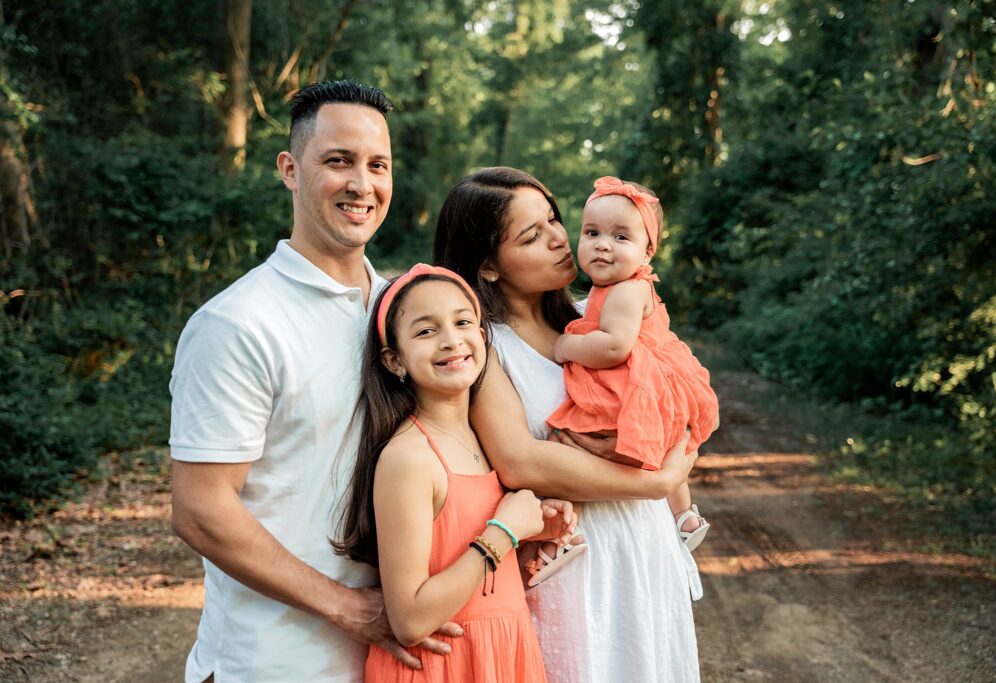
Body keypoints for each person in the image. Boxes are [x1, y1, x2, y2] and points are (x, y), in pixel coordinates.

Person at [169, 81, 459, 683]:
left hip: (393, 662)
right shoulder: (237, 323)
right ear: (290, 169)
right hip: (273, 663)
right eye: (338, 161)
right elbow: (201, 511)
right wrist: (348, 607)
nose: (362, 184)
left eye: (377, 165)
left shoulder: (401, 311)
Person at [434, 167, 703, 682]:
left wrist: (674, 468)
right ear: (488, 265)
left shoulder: (598, 320)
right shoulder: (484, 347)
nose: (560, 238)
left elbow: (679, 398)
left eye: (555, 219)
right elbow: (520, 459)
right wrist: (654, 482)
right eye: (532, 235)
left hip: (643, 546)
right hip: (574, 566)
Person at [335, 264, 578, 681]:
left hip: (502, 655)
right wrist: (503, 531)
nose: (451, 340)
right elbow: (410, 619)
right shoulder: (409, 457)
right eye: (426, 331)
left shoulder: (484, 443)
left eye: (463, 322)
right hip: (444, 665)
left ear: (483, 336)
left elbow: (459, 548)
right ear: (395, 361)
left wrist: (531, 528)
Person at [548, 176, 719, 551]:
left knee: (576, 440)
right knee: (659, 444)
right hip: (651, 379)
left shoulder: (626, 290)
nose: (603, 245)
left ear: (647, 253)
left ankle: (564, 528)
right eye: (592, 233)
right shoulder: (612, 286)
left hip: (634, 381)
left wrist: (567, 346)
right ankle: (684, 515)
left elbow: (614, 348)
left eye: (621, 237)